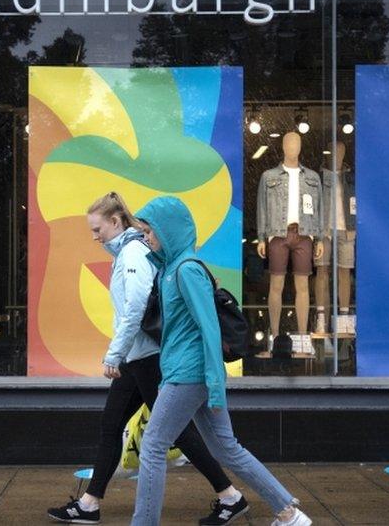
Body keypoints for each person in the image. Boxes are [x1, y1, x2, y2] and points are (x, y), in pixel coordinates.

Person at [48, 192, 243, 525]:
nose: (95, 237)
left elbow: (136, 308)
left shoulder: (132, 253)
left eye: (98, 229)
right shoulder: (128, 251)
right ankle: (90, 503)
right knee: (112, 425)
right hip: (137, 358)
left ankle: (230, 495)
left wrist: (115, 353)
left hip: (147, 357)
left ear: (115, 221)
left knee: (176, 433)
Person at [131, 196, 312, 526]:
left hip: (189, 375)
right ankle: (288, 513)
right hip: (189, 373)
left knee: (154, 446)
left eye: (150, 231)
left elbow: (209, 328)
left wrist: (215, 384)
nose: (147, 238)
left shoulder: (186, 271)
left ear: (168, 231)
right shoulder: (170, 269)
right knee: (227, 448)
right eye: (143, 232)